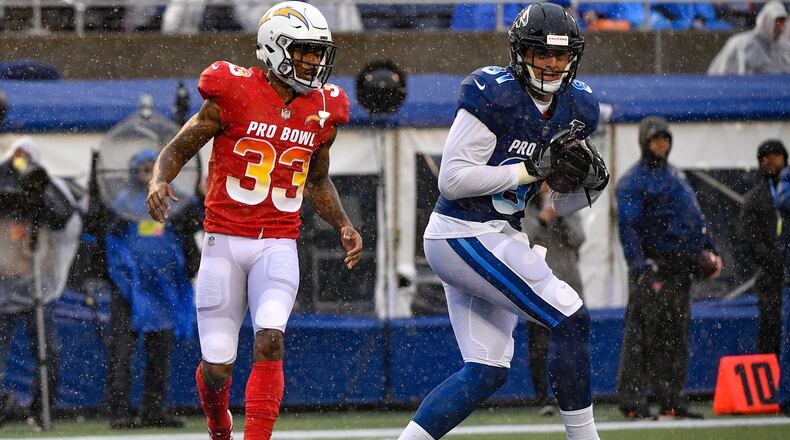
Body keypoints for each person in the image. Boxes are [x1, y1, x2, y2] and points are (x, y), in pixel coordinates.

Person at [145, 2, 363, 439]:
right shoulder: (232, 90)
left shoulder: (323, 109)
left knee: (271, 339)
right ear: (275, 48)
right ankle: (218, 424)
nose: (313, 62)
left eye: (318, 52)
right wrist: (157, 179)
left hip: (278, 243)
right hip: (224, 241)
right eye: (303, 51)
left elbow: (316, 180)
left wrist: (343, 223)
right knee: (217, 369)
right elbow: (179, 148)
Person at [397, 3, 609, 439]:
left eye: (560, 55)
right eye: (541, 53)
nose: (551, 64)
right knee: (570, 316)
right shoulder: (494, 93)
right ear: (520, 52)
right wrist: (532, 170)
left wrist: (586, 186)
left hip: (500, 233)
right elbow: (452, 180)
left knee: (487, 369)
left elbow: (562, 205)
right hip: (462, 232)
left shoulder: (577, 107)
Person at [615, 116, 722, 420]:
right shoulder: (633, 181)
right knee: (642, 338)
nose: (661, 144)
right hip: (653, 269)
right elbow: (629, 229)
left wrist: (710, 250)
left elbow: (694, 218)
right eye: (655, 139)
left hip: (680, 268)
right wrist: (639, 267)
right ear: (644, 142)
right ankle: (633, 401)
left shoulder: (675, 175)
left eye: (665, 139)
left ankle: (671, 399)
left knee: (676, 338)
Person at [102, 149, 196, 429]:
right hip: (129, 288)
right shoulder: (122, 201)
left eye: (151, 163)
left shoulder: (174, 196)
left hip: (164, 288)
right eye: (140, 163)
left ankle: (153, 410)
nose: (145, 166)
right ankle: (119, 412)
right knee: (123, 351)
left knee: (160, 352)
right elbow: (108, 234)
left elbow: (192, 223)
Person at [0, 136, 80, 430]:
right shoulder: (4, 185)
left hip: (37, 289)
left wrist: (38, 198)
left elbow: (63, 216)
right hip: (4, 287)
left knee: (47, 354)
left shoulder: (45, 188)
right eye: (16, 156)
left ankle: (41, 411)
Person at [522, 184, 586, 417]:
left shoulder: (569, 205)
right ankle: (542, 398)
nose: (546, 187)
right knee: (540, 346)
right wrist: (542, 219)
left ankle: (572, 396)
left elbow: (579, 239)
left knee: (572, 344)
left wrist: (562, 217)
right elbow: (525, 237)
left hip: (568, 283)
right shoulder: (525, 206)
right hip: (538, 285)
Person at [738, 140, 787, 357]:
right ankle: (770, 387)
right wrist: (775, 262)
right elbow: (750, 241)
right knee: (771, 335)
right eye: (765, 157)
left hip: (785, 276)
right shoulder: (754, 199)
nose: (771, 161)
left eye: (776, 156)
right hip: (770, 280)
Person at [707, 1, 790, 75]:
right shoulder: (744, 44)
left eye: (783, 23)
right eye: (777, 22)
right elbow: (729, 75)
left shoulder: (783, 48)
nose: (781, 28)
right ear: (767, 21)